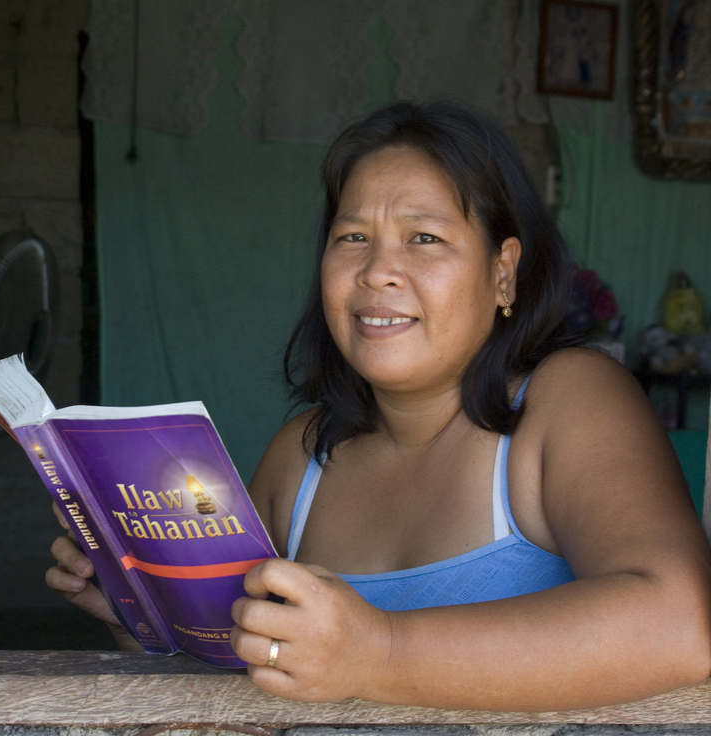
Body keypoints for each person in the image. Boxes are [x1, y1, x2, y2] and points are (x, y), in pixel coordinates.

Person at [47, 100, 711, 711]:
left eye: (424, 238)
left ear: (503, 270)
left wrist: (379, 652)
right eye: (352, 237)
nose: (376, 272)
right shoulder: (300, 457)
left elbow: (680, 625)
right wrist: (137, 612)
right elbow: (245, 670)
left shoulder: (566, 400)